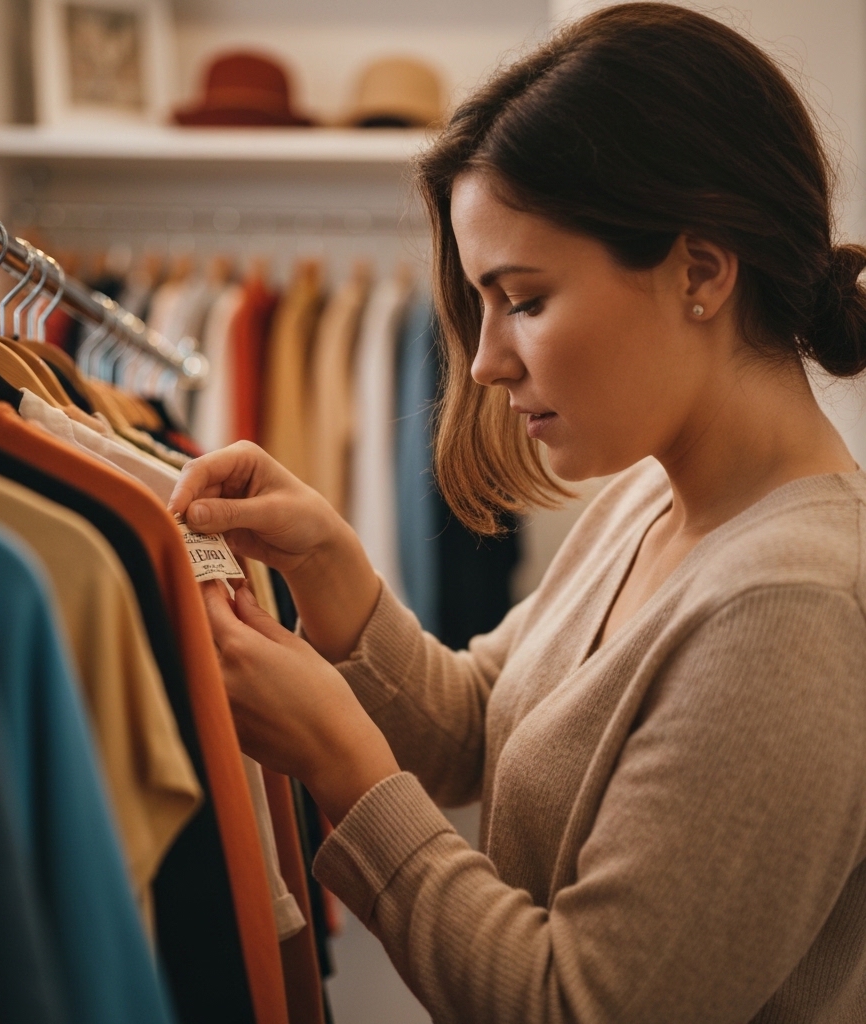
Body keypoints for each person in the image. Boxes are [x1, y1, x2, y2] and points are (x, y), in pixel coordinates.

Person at [169, 5, 866, 1021]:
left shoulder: (791, 607)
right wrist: (332, 567)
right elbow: (479, 726)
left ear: (700, 271)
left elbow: (576, 1004)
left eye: (524, 299)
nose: (489, 361)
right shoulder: (651, 496)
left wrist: (339, 761)